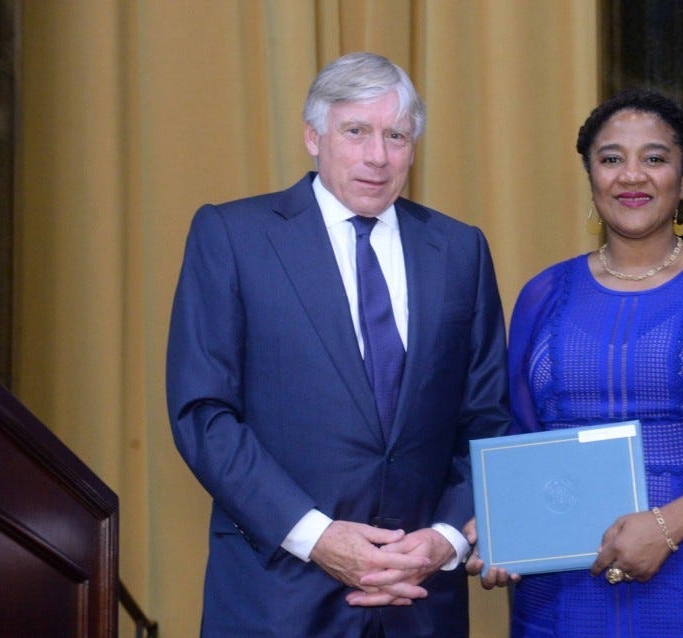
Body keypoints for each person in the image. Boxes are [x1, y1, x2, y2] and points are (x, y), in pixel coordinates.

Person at [166, 51, 510, 638]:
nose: (378, 156)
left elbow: (485, 418)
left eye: (396, 136)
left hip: (419, 597)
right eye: (356, 131)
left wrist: (446, 539)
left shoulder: (459, 251)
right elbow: (204, 414)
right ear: (312, 136)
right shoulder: (232, 236)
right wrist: (317, 536)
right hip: (276, 596)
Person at [465, 89, 683, 637]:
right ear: (590, 176)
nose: (631, 176)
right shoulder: (542, 294)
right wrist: (501, 526)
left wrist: (666, 527)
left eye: (654, 159)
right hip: (564, 587)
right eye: (611, 159)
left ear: (682, 180)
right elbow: (523, 439)